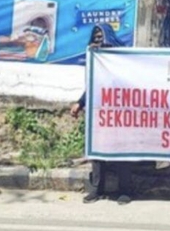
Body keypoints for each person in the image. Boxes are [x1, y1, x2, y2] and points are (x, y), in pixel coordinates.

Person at [70, 24, 133, 204]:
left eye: (101, 36)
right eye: (95, 36)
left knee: (122, 153)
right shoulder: (95, 61)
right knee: (97, 152)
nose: (98, 39)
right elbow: (92, 86)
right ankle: (97, 189)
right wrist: (80, 103)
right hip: (100, 114)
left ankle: (125, 191)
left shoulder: (122, 60)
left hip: (121, 113)